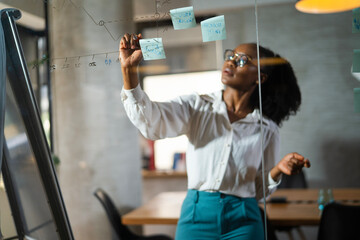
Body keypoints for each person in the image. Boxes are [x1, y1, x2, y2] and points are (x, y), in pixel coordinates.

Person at [119, 33, 310, 240]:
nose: (231, 62)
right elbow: (152, 122)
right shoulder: (196, 106)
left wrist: (276, 170)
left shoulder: (267, 128)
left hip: (244, 219)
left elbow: (257, 190)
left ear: (259, 78)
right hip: (196, 215)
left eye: (243, 60)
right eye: (231, 56)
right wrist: (129, 71)